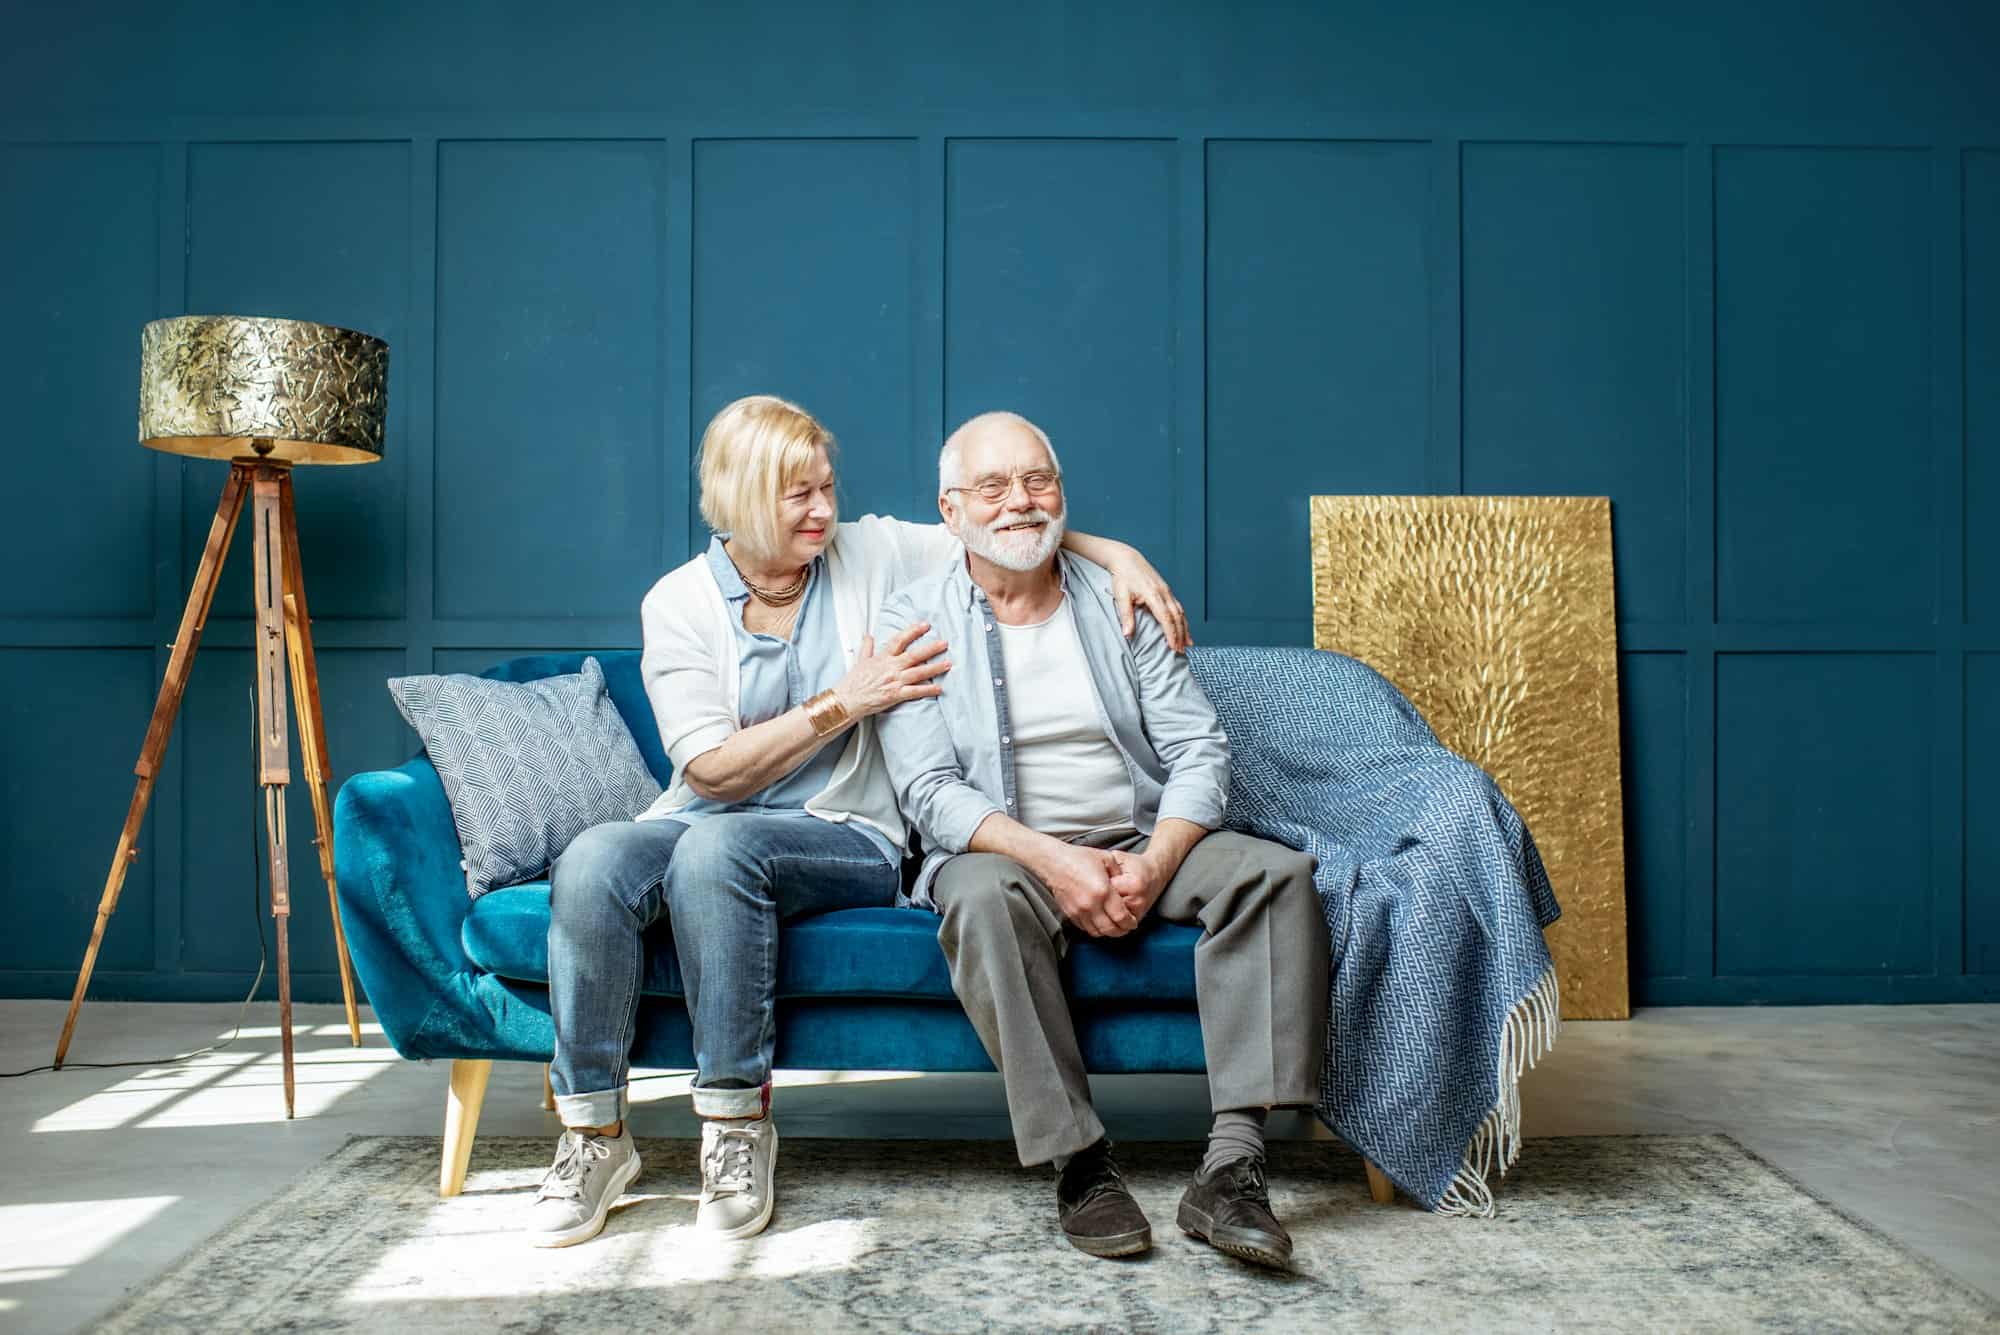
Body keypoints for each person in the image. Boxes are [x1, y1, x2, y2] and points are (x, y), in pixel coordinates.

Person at [527, 395, 1190, 1247]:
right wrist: (847, 700)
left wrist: (1118, 554)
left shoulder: (867, 550)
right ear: (737, 499)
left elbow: (998, 525)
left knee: (717, 855)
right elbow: (710, 771)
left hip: (848, 832)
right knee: (591, 860)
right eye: (797, 496)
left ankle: (734, 1125)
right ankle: (592, 1136)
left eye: (827, 488)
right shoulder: (678, 602)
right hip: (709, 814)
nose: (823, 511)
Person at [874, 411, 1329, 1269]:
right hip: (1007, 852)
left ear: (1064, 492)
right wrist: (1054, 860)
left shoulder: (1120, 596)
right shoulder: (915, 619)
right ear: (950, 509)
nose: (1019, 501)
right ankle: (1081, 1165)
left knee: (1275, 874)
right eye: (993, 485)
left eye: (1037, 479)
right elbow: (931, 792)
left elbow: (1199, 746)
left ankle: (1231, 1167)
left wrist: (1155, 862)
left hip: (1140, 834)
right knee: (976, 894)